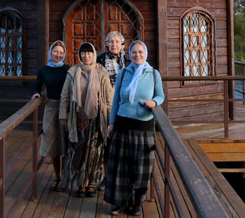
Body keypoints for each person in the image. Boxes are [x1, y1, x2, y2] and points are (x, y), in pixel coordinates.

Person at [104, 40, 164, 216]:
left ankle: (136, 203)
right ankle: (119, 202)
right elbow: (116, 100)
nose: (137, 55)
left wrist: (154, 102)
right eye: (134, 52)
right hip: (122, 126)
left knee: (141, 169)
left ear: (146, 54)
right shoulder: (124, 73)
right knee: (120, 168)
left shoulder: (153, 74)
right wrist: (111, 123)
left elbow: (160, 95)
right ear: (129, 54)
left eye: (140, 52)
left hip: (143, 127)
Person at [59, 42, 112, 197]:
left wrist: (110, 119)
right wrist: (63, 116)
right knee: (79, 150)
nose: (86, 56)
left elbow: (109, 97)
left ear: (94, 54)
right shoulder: (73, 71)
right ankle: (80, 183)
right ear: (80, 55)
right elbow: (65, 96)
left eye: (89, 53)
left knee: (95, 152)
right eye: (83, 53)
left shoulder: (101, 71)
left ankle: (91, 183)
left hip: (97, 119)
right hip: (77, 119)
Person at [31, 40, 70, 191]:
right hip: (51, 108)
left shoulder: (68, 69)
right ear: (50, 52)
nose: (58, 55)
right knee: (53, 144)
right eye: (55, 51)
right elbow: (37, 87)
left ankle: (65, 177)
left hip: (66, 108)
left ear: (64, 54)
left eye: (61, 52)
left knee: (65, 143)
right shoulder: (44, 70)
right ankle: (57, 177)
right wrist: (36, 94)